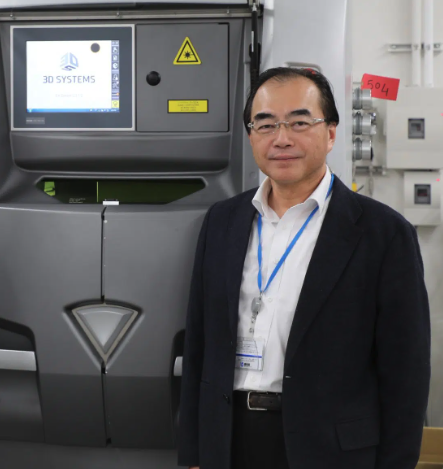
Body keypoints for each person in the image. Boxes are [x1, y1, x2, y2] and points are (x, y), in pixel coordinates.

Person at [177, 67, 430, 469]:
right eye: (265, 124)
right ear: (251, 136)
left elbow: (406, 372)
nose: (281, 138)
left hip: (330, 449)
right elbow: (199, 344)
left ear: (331, 133)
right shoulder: (222, 222)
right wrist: (194, 452)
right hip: (227, 442)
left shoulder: (383, 233)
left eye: (299, 122)